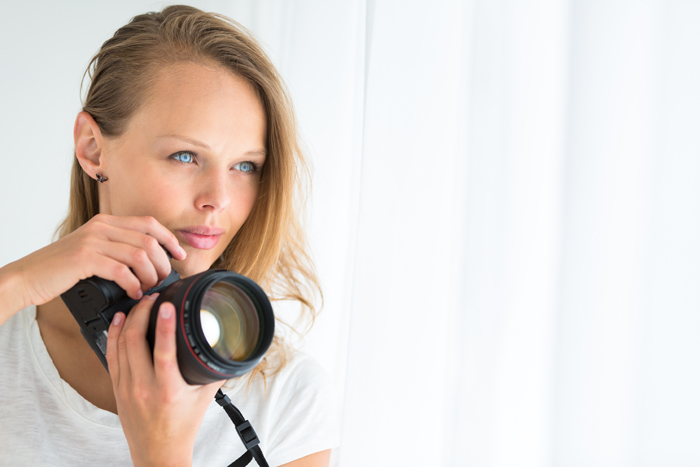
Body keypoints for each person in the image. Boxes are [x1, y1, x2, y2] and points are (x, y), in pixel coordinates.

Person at [0, 5, 339, 466]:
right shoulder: (9, 345)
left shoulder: (285, 396)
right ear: (92, 149)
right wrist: (17, 283)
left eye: (245, 166)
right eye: (185, 156)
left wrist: (162, 452)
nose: (217, 198)